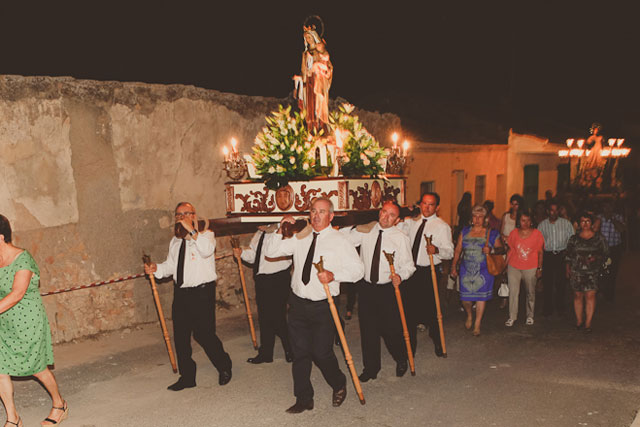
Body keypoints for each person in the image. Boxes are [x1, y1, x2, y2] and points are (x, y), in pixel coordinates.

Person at [265, 197, 364, 413]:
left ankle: (338, 383)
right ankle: (304, 398)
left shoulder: (340, 240)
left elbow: (358, 270)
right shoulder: (301, 236)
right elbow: (271, 252)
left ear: (330, 215)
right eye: (313, 211)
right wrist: (281, 229)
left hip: (324, 305)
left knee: (321, 353)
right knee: (300, 353)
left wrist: (334, 274)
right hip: (298, 303)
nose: (316, 216)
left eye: (321, 212)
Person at [144, 202, 232, 391]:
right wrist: (156, 268)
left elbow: (206, 250)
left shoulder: (206, 235)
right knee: (181, 337)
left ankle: (224, 365)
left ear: (194, 215)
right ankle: (188, 377)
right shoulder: (175, 241)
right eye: (178, 215)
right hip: (182, 293)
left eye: (186, 213)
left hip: (202, 292)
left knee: (204, 334)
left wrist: (192, 231)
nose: (182, 217)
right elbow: (170, 266)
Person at [0, 215, 68, 427]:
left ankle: (59, 405)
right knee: (0, 368)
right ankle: (13, 418)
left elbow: (17, 293)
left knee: (37, 368)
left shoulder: (23, 259)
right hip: (4, 322)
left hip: (27, 321)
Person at [342, 201, 415, 382]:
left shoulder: (400, 237)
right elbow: (344, 240)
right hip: (366, 287)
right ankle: (371, 368)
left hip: (388, 289)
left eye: (391, 215)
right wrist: (352, 222)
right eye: (384, 212)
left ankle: (401, 358)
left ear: (397, 220)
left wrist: (400, 275)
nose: (386, 217)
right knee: (368, 330)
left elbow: (409, 266)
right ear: (379, 212)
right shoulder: (367, 230)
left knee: (390, 329)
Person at [398, 192, 454, 357]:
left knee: (432, 310)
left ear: (436, 207)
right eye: (424, 203)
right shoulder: (412, 222)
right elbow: (398, 228)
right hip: (411, 271)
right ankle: (410, 347)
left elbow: (449, 252)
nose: (427, 207)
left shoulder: (441, 226)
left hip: (428, 271)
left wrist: (436, 250)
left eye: (431, 204)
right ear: (420, 204)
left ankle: (438, 341)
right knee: (409, 311)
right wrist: (406, 213)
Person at [233, 226, 293, 364]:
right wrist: (241, 252)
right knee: (264, 318)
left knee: (278, 316)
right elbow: (254, 255)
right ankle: (266, 353)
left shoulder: (282, 230)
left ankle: (290, 350)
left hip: (278, 278)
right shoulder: (259, 233)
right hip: (262, 279)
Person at [450, 205, 503, 336]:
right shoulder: (465, 231)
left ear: (485, 218)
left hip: (484, 270)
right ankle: (469, 314)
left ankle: (477, 323)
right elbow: (458, 250)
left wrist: (492, 250)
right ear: (472, 218)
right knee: (465, 299)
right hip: (466, 269)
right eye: (475, 216)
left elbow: (502, 249)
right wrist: (453, 266)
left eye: (480, 216)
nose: (477, 219)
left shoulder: (492, 233)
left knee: (481, 298)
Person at [566, 212, 609, 332]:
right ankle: (579, 320)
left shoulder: (599, 238)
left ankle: (588, 323)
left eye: (588, 221)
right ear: (579, 223)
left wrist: (596, 258)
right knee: (577, 295)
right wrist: (568, 268)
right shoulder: (573, 238)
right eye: (582, 221)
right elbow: (568, 255)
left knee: (590, 296)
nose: (585, 224)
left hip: (592, 271)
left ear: (592, 223)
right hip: (577, 271)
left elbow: (606, 254)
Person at [505, 209, 544, 327]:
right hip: (514, 266)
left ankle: (530, 315)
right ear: (519, 221)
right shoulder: (514, 233)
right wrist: (505, 265)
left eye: (528, 221)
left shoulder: (537, 234)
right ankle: (512, 316)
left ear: (531, 221)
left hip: (530, 267)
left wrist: (539, 268)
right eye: (523, 220)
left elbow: (540, 252)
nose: (525, 223)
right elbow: (510, 250)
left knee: (530, 292)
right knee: (513, 291)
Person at [293, 24, 333, 132]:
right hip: (308, 83)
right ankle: (310, 129)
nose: (308, 40)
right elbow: (303, 70)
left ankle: (320, 128)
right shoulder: (305, 54)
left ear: (314, 37)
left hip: (317, 82)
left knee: (318, 106)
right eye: (306, 38)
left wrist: (324, 71)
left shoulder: (320, 53)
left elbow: (328, 67)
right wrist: (298, 82)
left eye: (309, 37)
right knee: (309, 108)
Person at [537, 201, 575, 316]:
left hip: (561, 255)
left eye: (556, 210)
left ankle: (560, 306)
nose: (553, 212)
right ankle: (547, 307)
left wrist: (569, 257)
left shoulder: (566, 224)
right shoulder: (542, 225)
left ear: (559, 211)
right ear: (548, 211)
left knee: (561, 283)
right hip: (548, 255)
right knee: (547, 283)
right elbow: (538, 243)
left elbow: (572, 241)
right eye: (551, 210)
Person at [498, 194, 525, 309]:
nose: (514, 207)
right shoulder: (506, 216)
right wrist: (504, 241)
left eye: (516, 204)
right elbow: (501, 231)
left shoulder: (521, 218)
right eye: (512, 204)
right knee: (504, 274)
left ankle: (514, 299)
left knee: (514, 275)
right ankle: (504, 298)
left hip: (516, 249)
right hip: (505, 247)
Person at [596, 200, 625, 302]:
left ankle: (609, 295)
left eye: (609, 207)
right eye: (605, 207)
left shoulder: (618, 217)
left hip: (615, 249)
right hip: (602, 249)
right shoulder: (598, 218)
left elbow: (621, 230)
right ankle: (601, 290)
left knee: (613, 272)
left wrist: (612, 219)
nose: (607, 209)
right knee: (602, 271)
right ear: (602, 207)